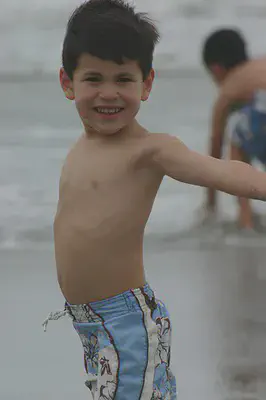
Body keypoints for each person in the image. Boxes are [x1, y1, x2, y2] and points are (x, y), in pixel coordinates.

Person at [43, 3, 266, 398]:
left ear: (146, 84)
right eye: (93, 78)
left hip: (126, 322)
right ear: (67, 82)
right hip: (91, 326)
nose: (108, 93)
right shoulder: (82, 146)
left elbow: (227, 171)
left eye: (123, 79)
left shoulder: (150, 150)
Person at [202, 28, 266, 230]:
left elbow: (215, 147)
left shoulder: (229, 88)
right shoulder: (261, 65)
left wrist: (210, 205)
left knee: (237, 142)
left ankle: (245, 220)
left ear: (217, 69)